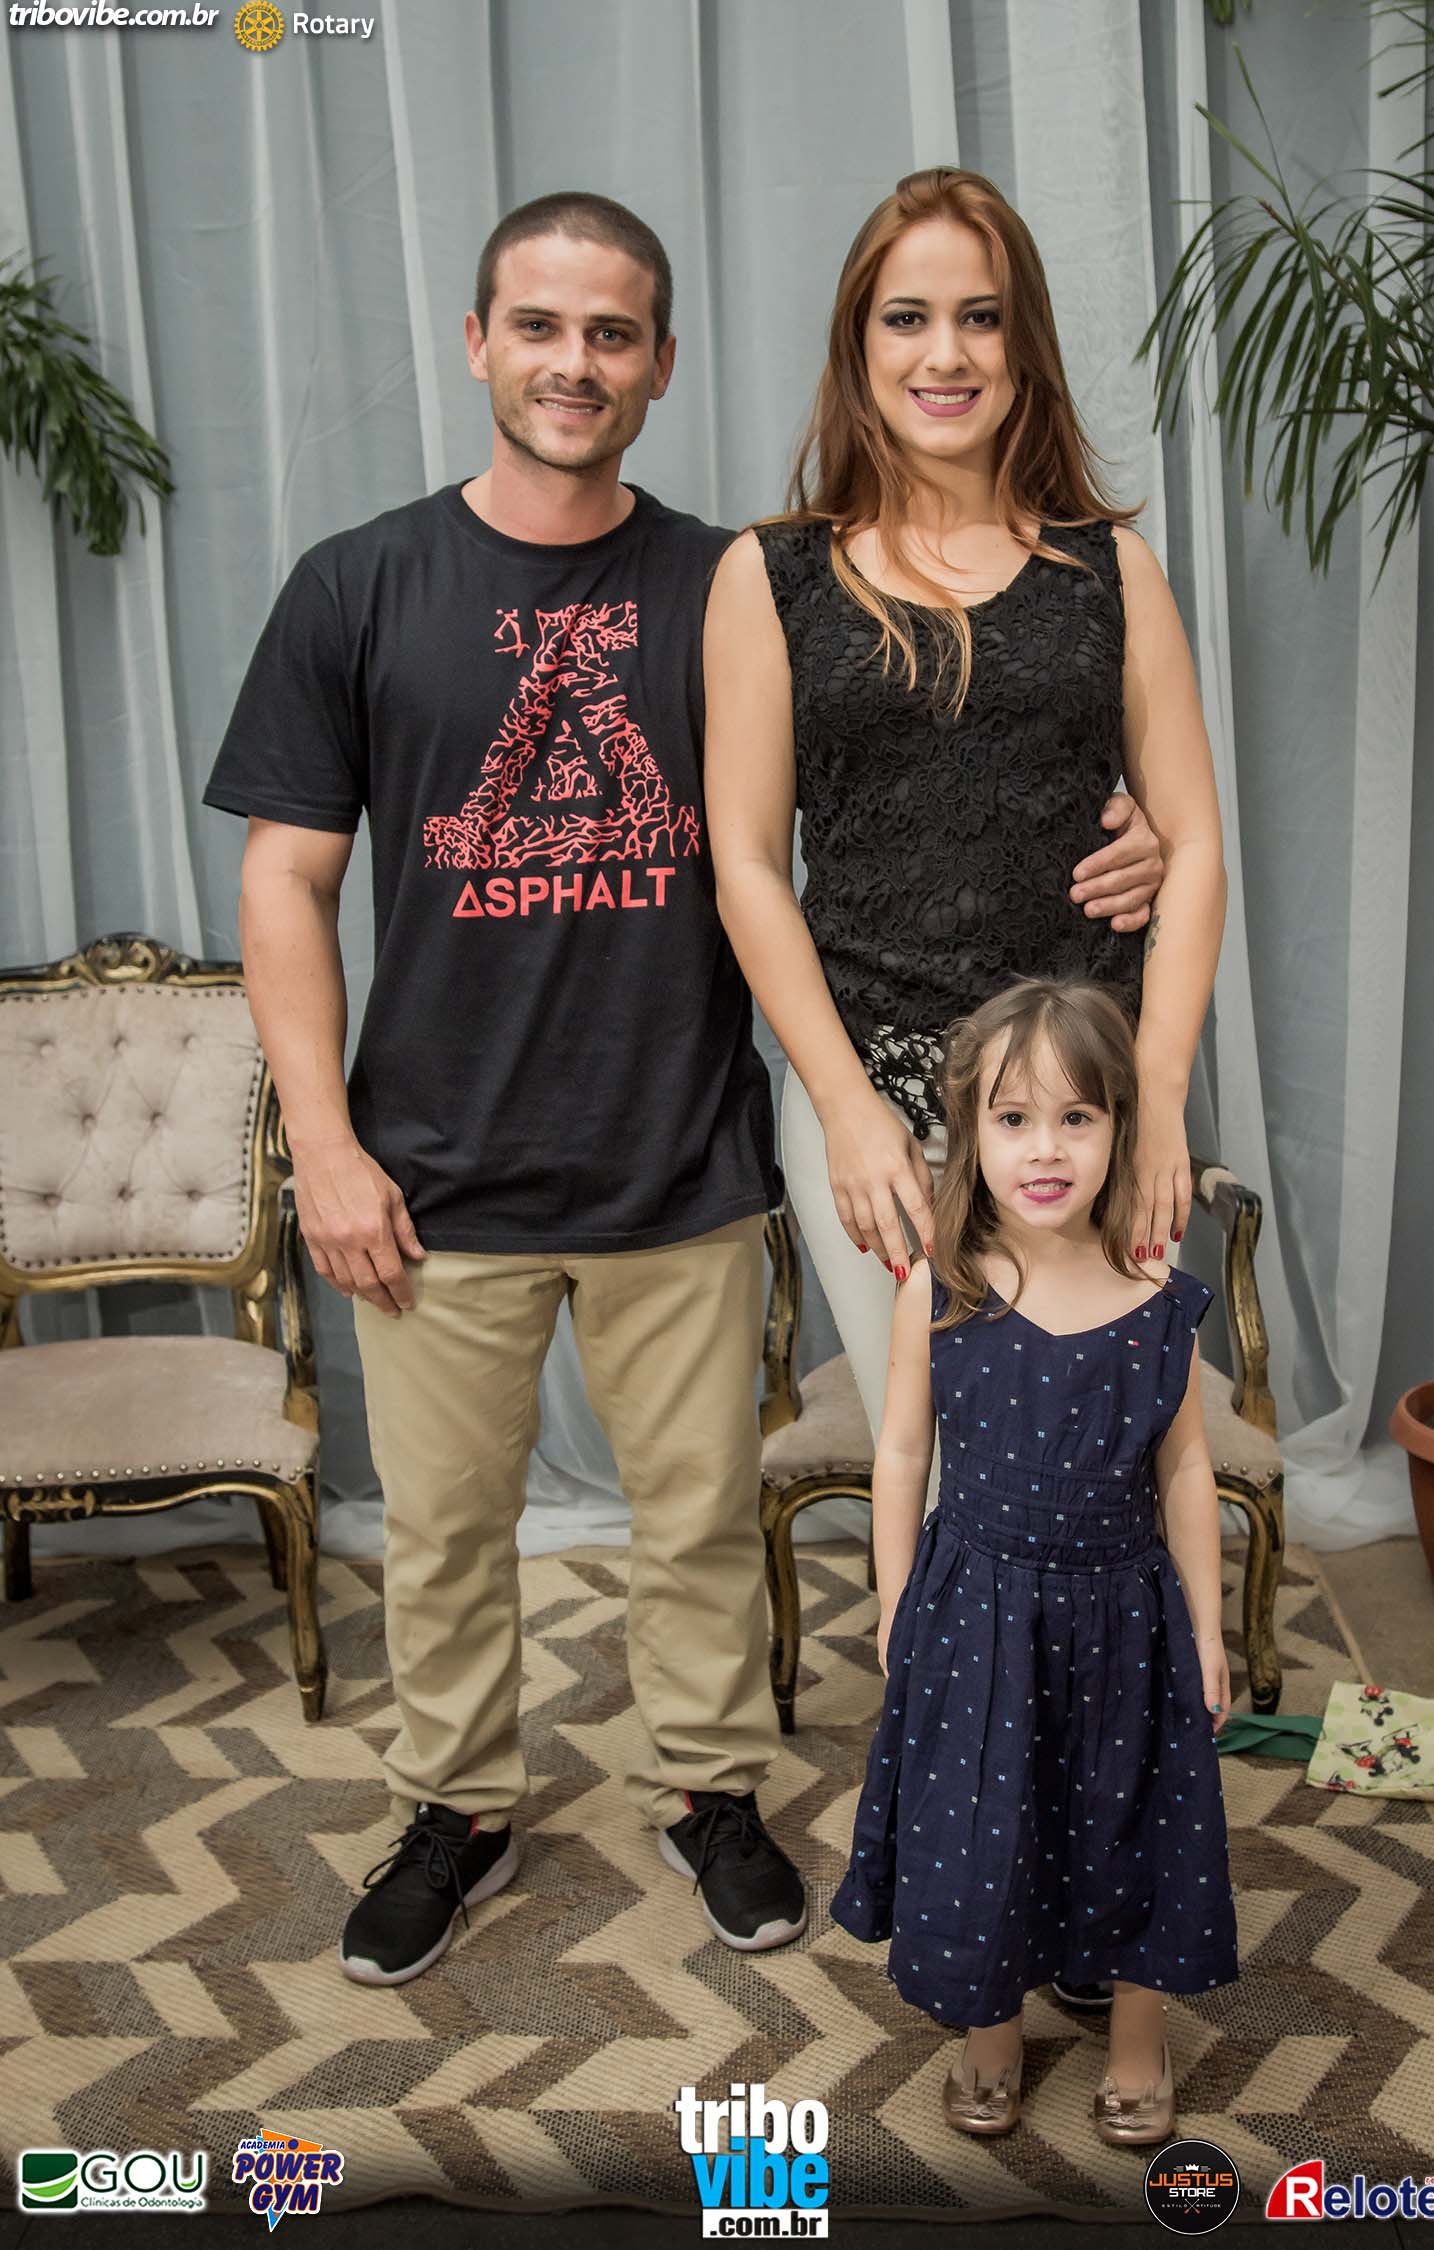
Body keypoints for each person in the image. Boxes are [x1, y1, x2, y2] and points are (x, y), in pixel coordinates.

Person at [204, 191, 811, 1985]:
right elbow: (285, 882)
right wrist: (323, 1148)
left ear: (662, 364)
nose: (573, 362)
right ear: (478, 341)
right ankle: (456, 1809)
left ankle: (709, 1787)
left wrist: (1120, 818)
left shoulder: (728, 586)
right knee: (447, 1534)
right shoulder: (358, 584)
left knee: (696, 1522)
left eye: (611, 333)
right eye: (539, 325)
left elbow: (893, 778)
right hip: (429, 1170)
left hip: (676, 1151)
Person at [704, 165, 1222, 2012]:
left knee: (1106, 1480)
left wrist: (1162, 1099)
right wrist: (849, 1108)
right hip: (885, 1096)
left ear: (1025, 345)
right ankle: (978, 1861)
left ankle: (1104, 1867)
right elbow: (747, 862)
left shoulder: (1109, 569)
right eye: (908, 315)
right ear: (860, 345)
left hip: (1082, 1108)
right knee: (967, 1492)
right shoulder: (771, 573)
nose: (946, 351)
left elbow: (1194, 843)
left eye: (980, 315)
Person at [829, 977, 1238, 2146]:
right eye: (1013, 1119)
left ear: (1121, 1129)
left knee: (1135, 1822)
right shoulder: (943, 1288)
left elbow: (1185, 1473)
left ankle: (1138, 2041)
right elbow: (902, 1452)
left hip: (1125, 1616)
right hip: (979, 1611)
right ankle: (991, 2029)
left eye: (1077, 1118)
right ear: (972, 1132)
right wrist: (896, 1603)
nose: (1046, 1149)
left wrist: (1207, 1628)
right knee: (984, 1828)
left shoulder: (1156, 1299)